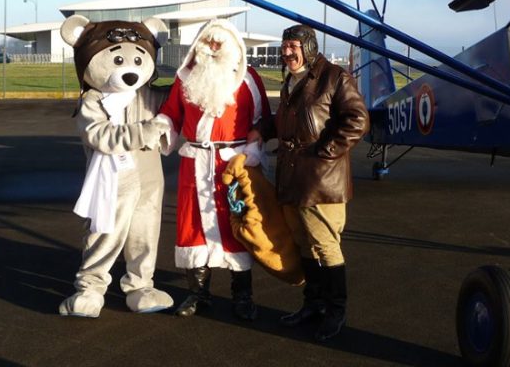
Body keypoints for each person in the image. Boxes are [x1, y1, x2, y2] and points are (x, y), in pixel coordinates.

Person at [253, 24, 369, 341]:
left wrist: (325, 152)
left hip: (321, 180)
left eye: (293, 46)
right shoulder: (292, 80)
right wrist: (263, 130)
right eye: (285, 45)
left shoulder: (334, 77)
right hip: (292, 177)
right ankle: (313, 304)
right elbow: (285, 121)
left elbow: (358, 119)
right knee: (303, 243)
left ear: (309, 46)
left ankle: (336, 311)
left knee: (326, 246)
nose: (287, 52)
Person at [156, 19, 270, 320]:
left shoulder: (248, 79)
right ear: (200, 45)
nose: (214, 48)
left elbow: (262, 120)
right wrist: (160, 126)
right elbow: (171, 113)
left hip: (233, 164)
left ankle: (242, 296)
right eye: (209, 43)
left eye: (220, 43)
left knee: (237, 227)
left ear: (233, 46)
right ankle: (198, 294)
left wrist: (254, 147)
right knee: (192, 226)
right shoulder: (186, 77)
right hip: (194, 163)